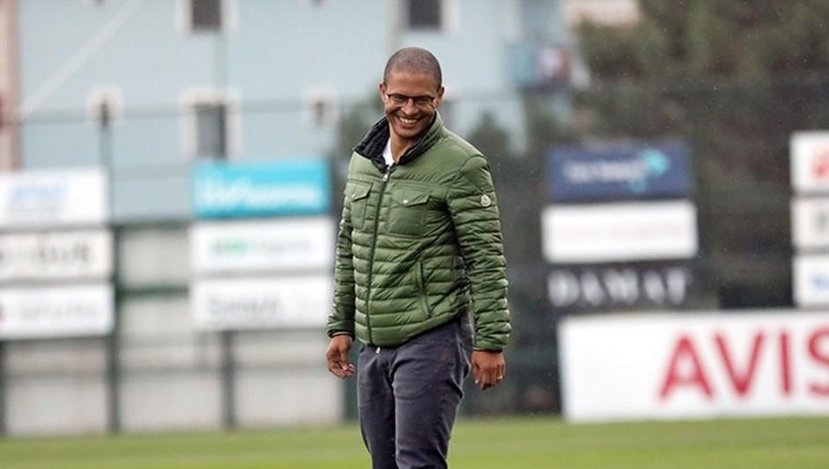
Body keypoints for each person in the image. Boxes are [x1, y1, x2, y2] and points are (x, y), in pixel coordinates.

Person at [325, 47, 511, 469]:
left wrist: (490, 341)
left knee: (417, 463)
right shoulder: (362, 162)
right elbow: (349, 247)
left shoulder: (462, 164)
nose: (409, 109)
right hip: (373, 345)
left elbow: (485, 258)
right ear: (383, 93)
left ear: (439, 97)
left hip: (433, 338)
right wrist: (341, 326)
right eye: (400, 98)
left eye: (422, 99)